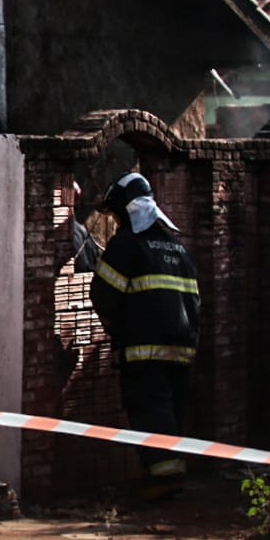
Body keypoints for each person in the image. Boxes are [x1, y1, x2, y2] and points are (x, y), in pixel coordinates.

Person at [89, 171, 200, 498]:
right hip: (183, 348)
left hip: (144, 350)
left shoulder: (127, 245)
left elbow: (103, 296)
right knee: (173, 411)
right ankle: (170, 477)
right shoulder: (178, 247)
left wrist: (116, 328)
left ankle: (164, 482)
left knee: (151, 412)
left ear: (127, 210)